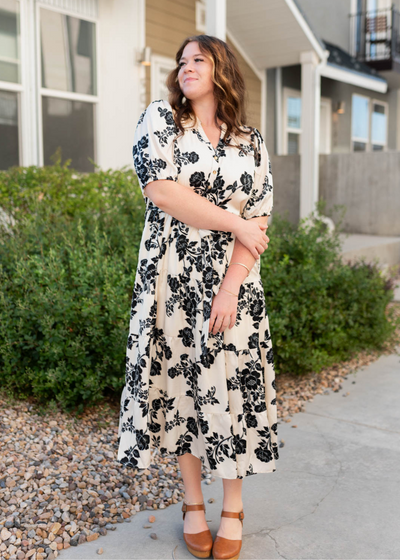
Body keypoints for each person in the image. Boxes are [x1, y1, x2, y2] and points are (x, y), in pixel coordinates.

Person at [117, 34, 279, 560]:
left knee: (235, 388)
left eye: (199, 60)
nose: (186, 68)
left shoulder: (250, 140)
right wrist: (234, 222)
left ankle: (231, 507)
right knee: (184, 385)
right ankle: (192, 502)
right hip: (173, 276)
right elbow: (162, 190)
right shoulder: (160, 119)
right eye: (182, 61)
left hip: (235, 282)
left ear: (222, 70)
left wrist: (232, 282)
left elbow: (260, 220)